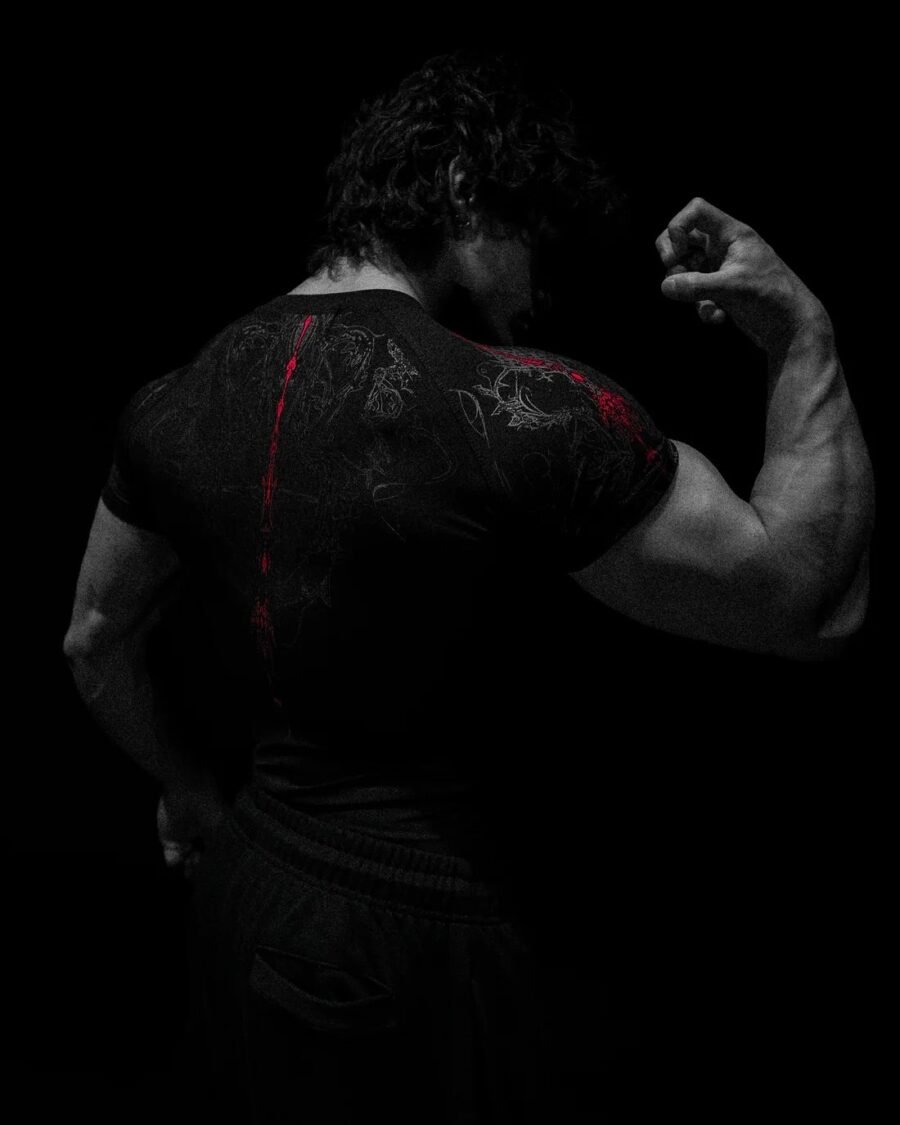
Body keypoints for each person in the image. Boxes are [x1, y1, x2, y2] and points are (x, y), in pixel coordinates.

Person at [63, 51, 874, 1123]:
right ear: (459, 188)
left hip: (243, 891)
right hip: (411, 943)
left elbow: (93, 640)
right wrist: (802, 334)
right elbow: (813, 600)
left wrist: (189, 791)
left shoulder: (173, 399)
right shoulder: (515, 409)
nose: (541, 290)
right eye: (531, 235)